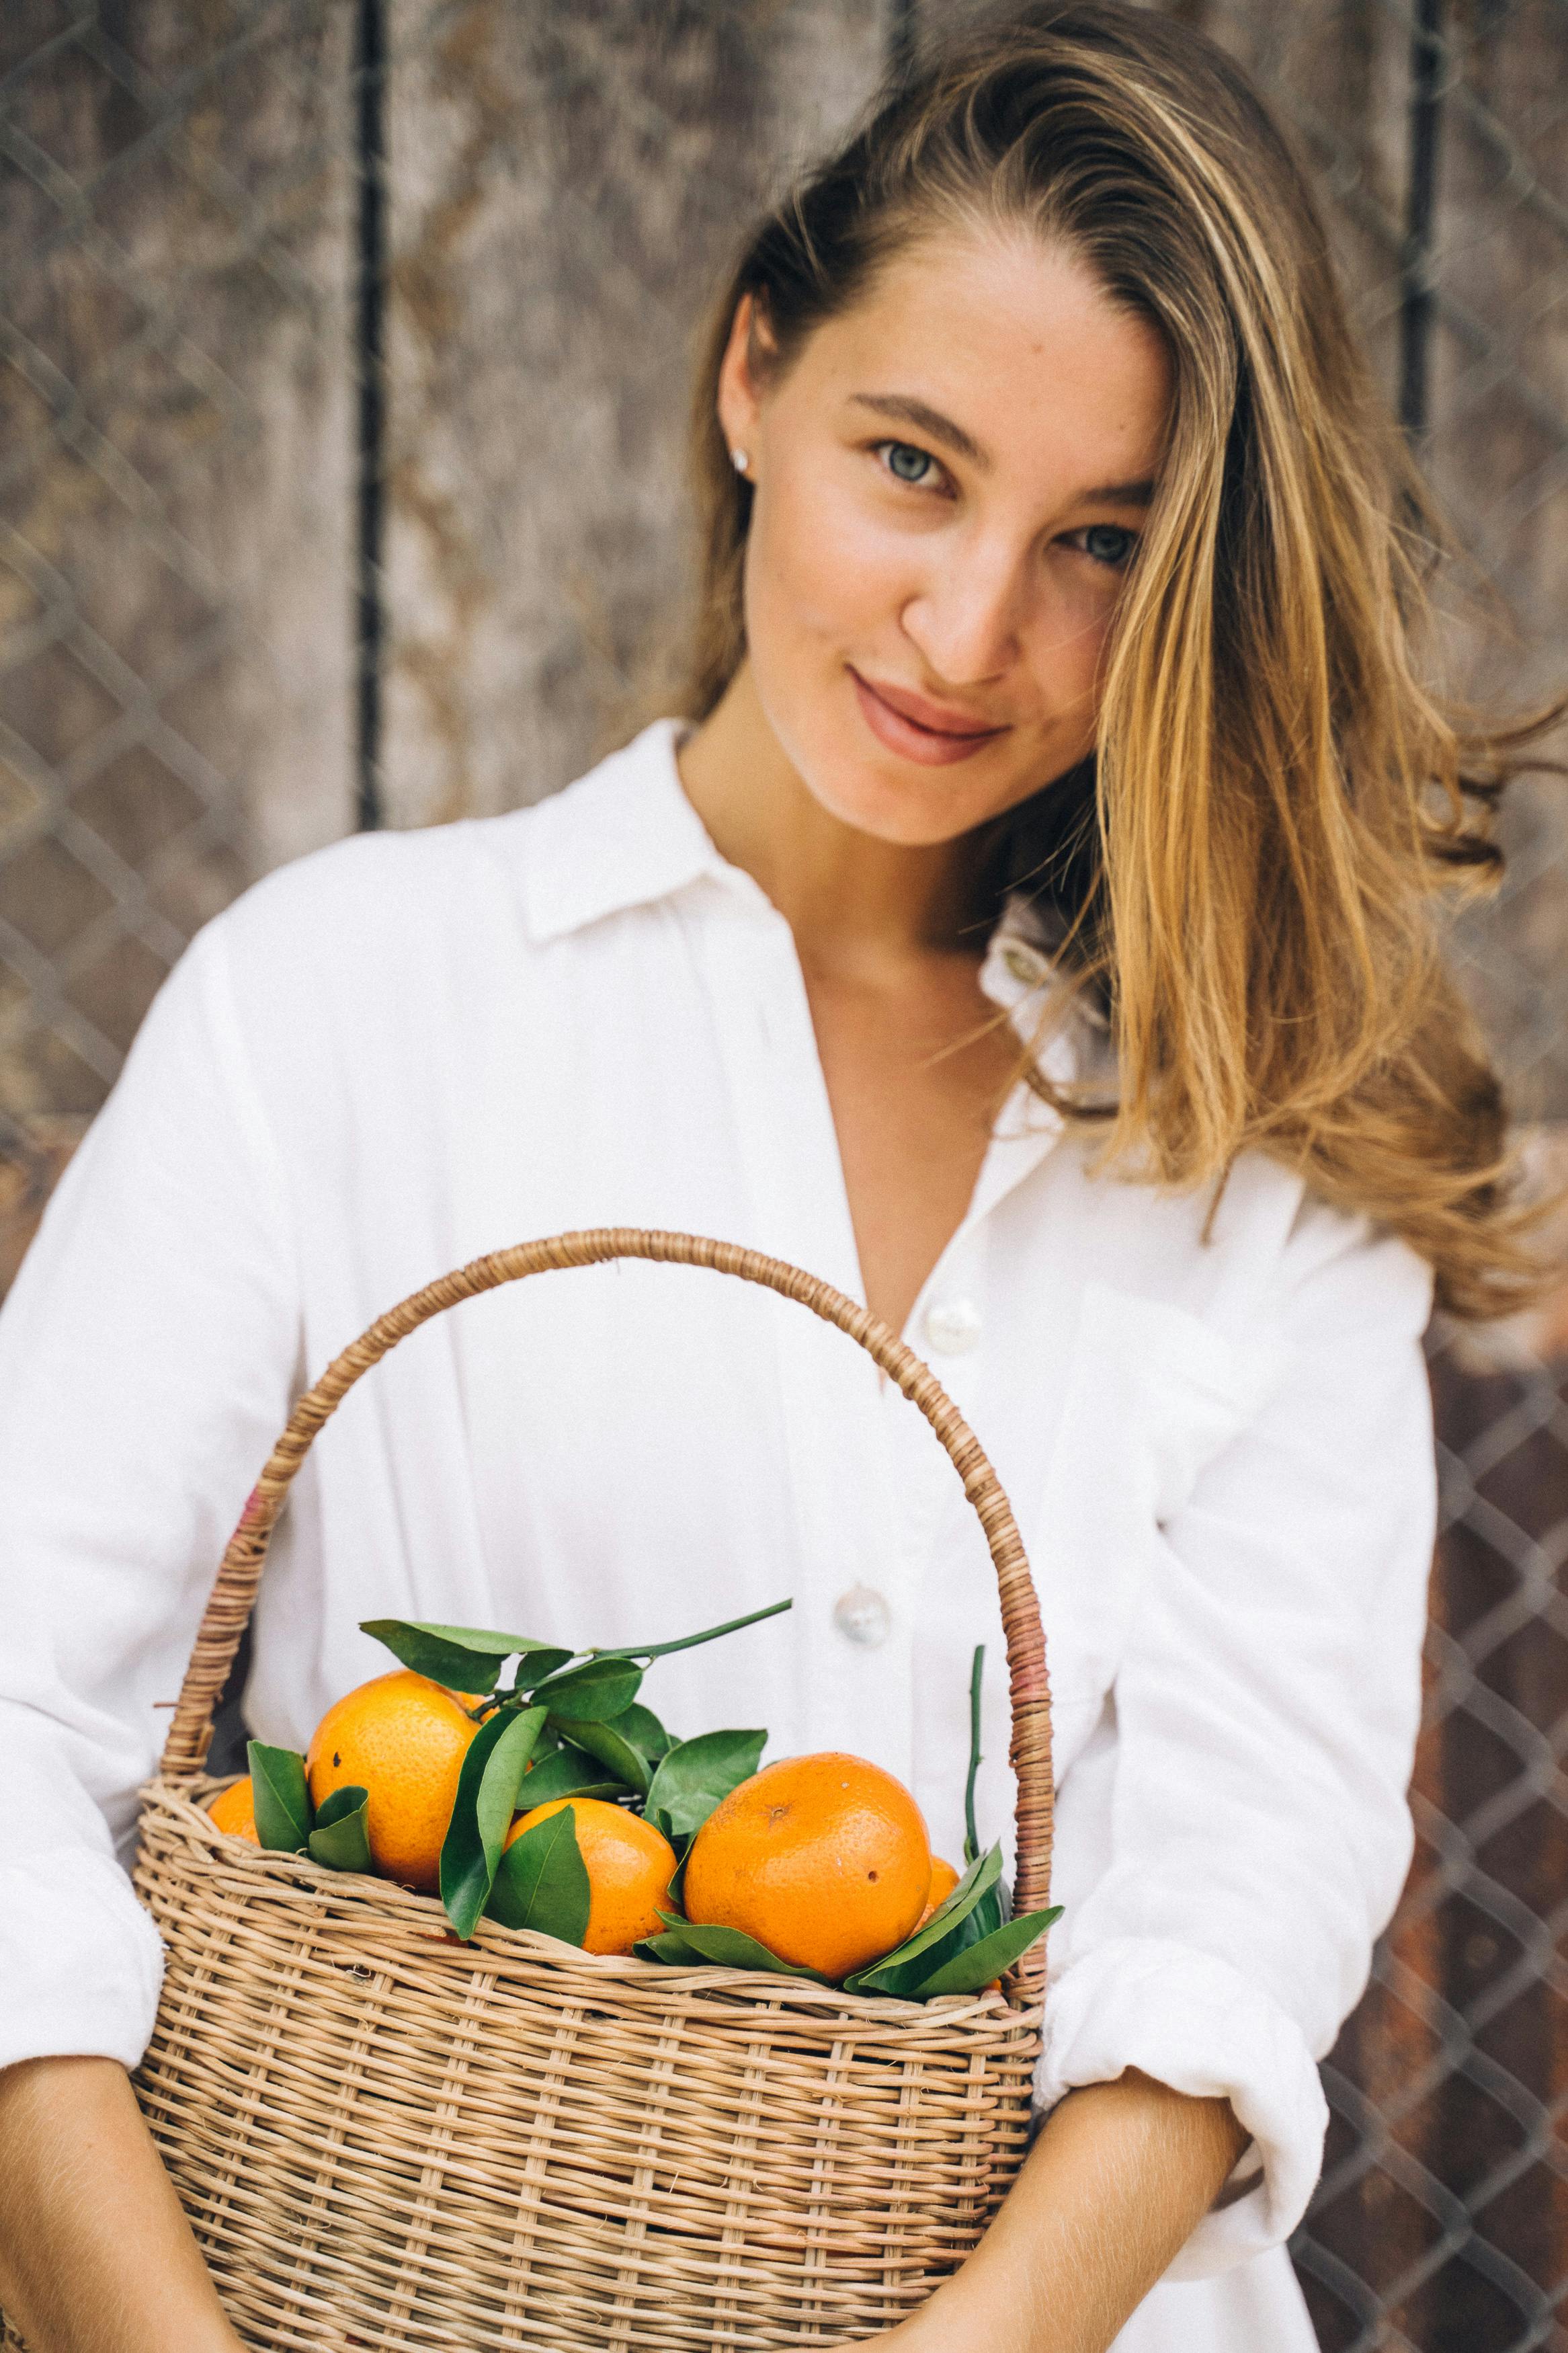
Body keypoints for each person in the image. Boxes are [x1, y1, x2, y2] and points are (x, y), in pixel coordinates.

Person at [0, 5, 1556, 2349]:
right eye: (911, 467)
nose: (970, 631)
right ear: (753, 382)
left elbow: (1236, 1908)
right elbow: (13, 1732)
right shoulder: (332, 1005)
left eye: (1104, 541)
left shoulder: (1264, 1147)